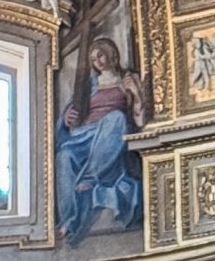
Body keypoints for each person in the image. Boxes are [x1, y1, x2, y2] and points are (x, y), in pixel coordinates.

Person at [56, 39, 147, 242]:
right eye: (93, 59)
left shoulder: (127, 79)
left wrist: (136, 93)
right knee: (64, 155)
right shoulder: (90, 86)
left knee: (115, 117)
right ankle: (69, 221)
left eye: (100, 55)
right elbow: (70, 115)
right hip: (84, 136)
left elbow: (140, 119)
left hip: (111, 137)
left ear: (111, 54)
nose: (98, 61)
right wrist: (66, 118)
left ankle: (90, 176)